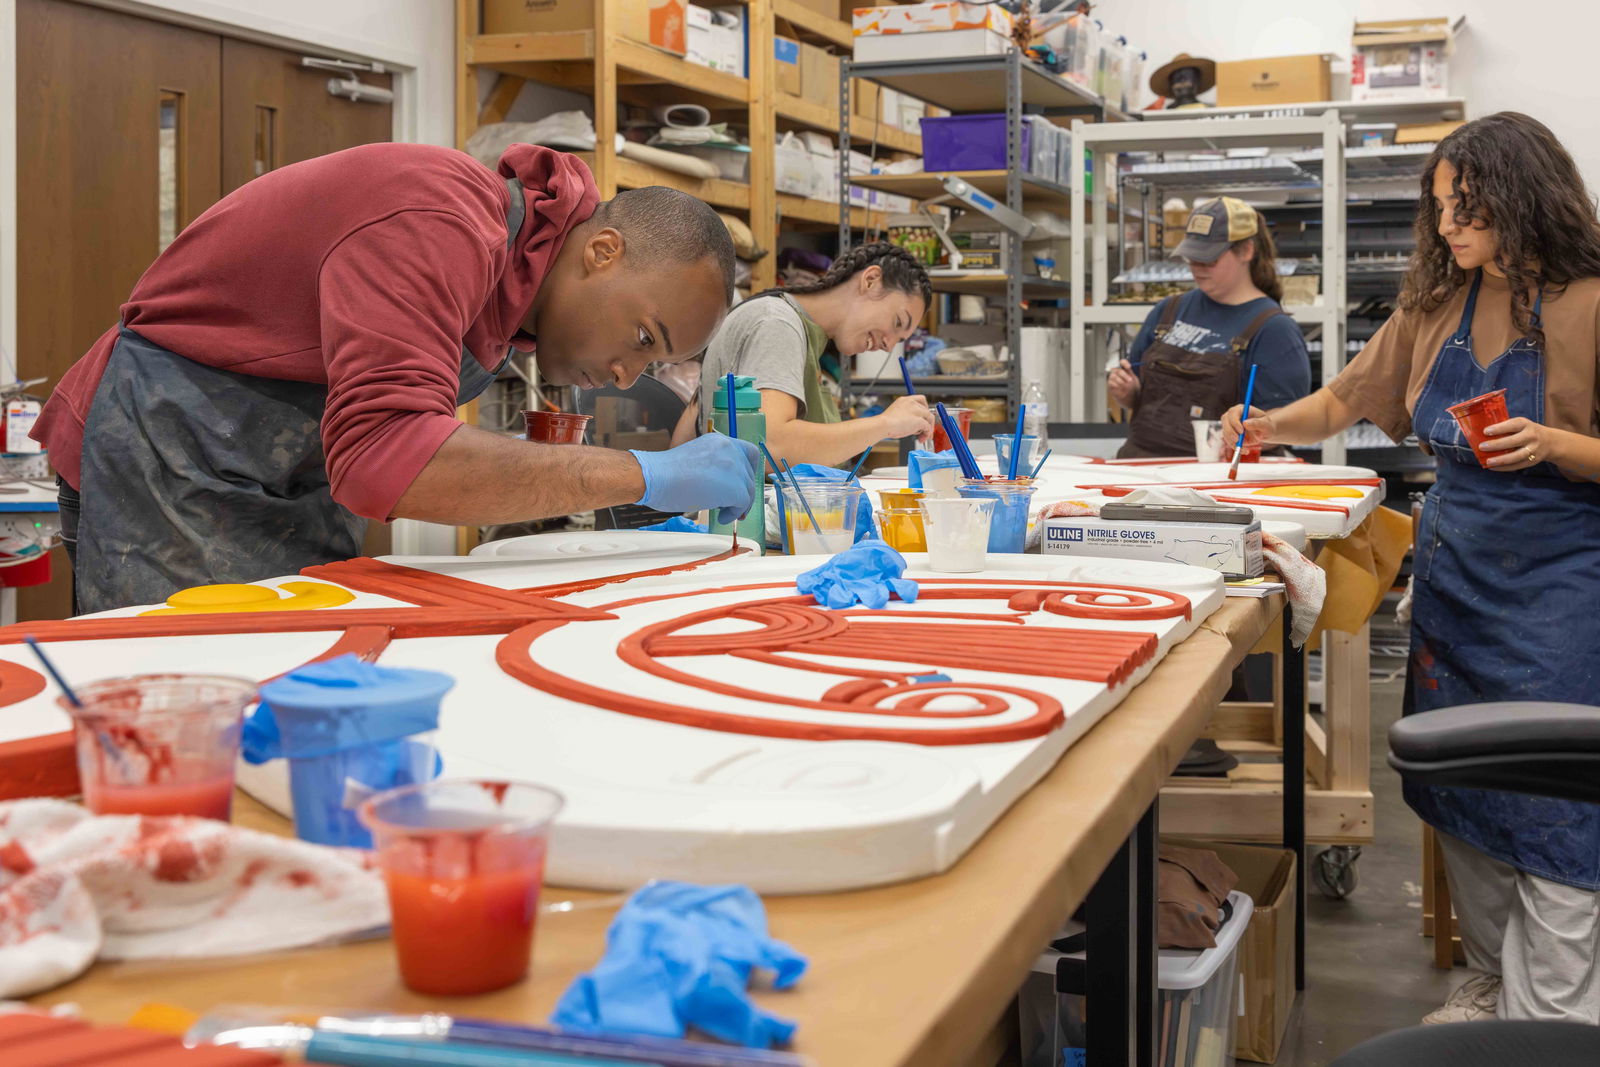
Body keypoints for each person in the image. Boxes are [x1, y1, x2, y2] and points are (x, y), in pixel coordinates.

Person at [1223, 112, 1600, 1025]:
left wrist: (1557, 443)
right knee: (1459, 782)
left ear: (1524, 195)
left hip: (1562, 588)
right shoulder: (1440, 304)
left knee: (1558, 803)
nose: (1446, 228)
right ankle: (1490, 978)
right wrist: (1271, 426)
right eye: (1438, 209)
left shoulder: (1592, 300)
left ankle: (1555, 1017)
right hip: (1457, 580)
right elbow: (1350, 398)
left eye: (1464, 207)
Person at [35, 142, 760, 615]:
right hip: (170, 451)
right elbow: (385, 455)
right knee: (195, 714)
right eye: (642, 337)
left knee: (309, 683)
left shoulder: (514, 286)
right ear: (602, 252)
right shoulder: (438, 221)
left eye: (655, 363)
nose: (627, 373)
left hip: (284, 476)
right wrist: (641, 473)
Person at [700, 242, 935, 468]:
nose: (888, 345)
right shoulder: (777, 324)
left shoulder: (802, 331)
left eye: (900, 340)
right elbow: (771, 445)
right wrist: (885, 424)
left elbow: (690, 422)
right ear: (871, 281)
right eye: (897, 322)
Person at [1109, 196, 1312, 458]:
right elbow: (1138, 400)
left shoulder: (1274, 330)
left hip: (1212, 483)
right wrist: (1127, 392)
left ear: (1246, 251)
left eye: (1208, 259)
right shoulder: (1168, 310)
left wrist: (1253, 427)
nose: (1197, 267)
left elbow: (1285, 426)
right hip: (1139, 467)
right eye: (1192, 258)